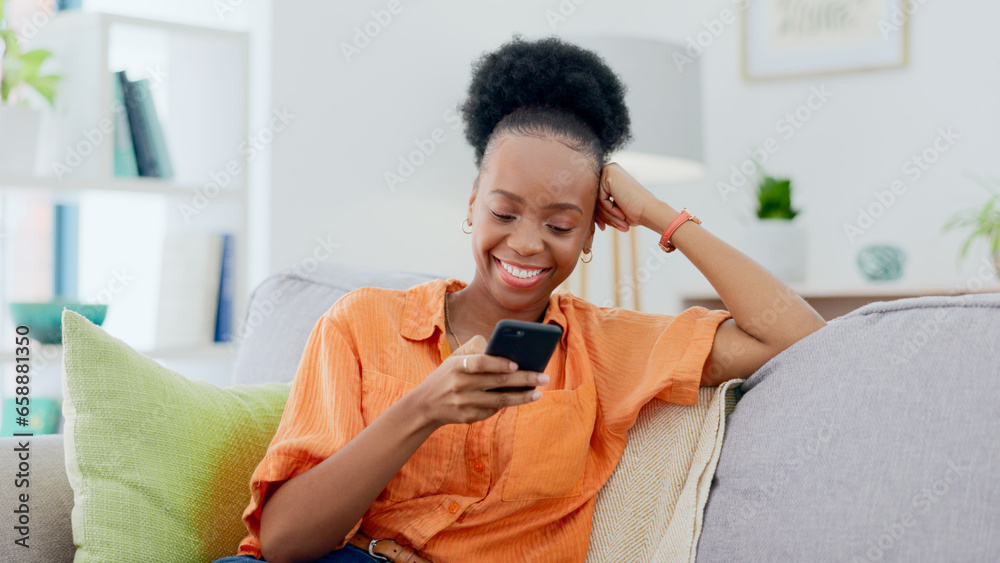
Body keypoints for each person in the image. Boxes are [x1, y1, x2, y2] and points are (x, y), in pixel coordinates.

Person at [213, 35, 827, 563]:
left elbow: (796, 335)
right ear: (472, 205)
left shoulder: (605, 348)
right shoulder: (361, 322)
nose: (527, 243)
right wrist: (422, 409)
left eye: (561, 225)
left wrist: (661, 216)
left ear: (591, 234)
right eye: (504, 212)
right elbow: (284, 541)